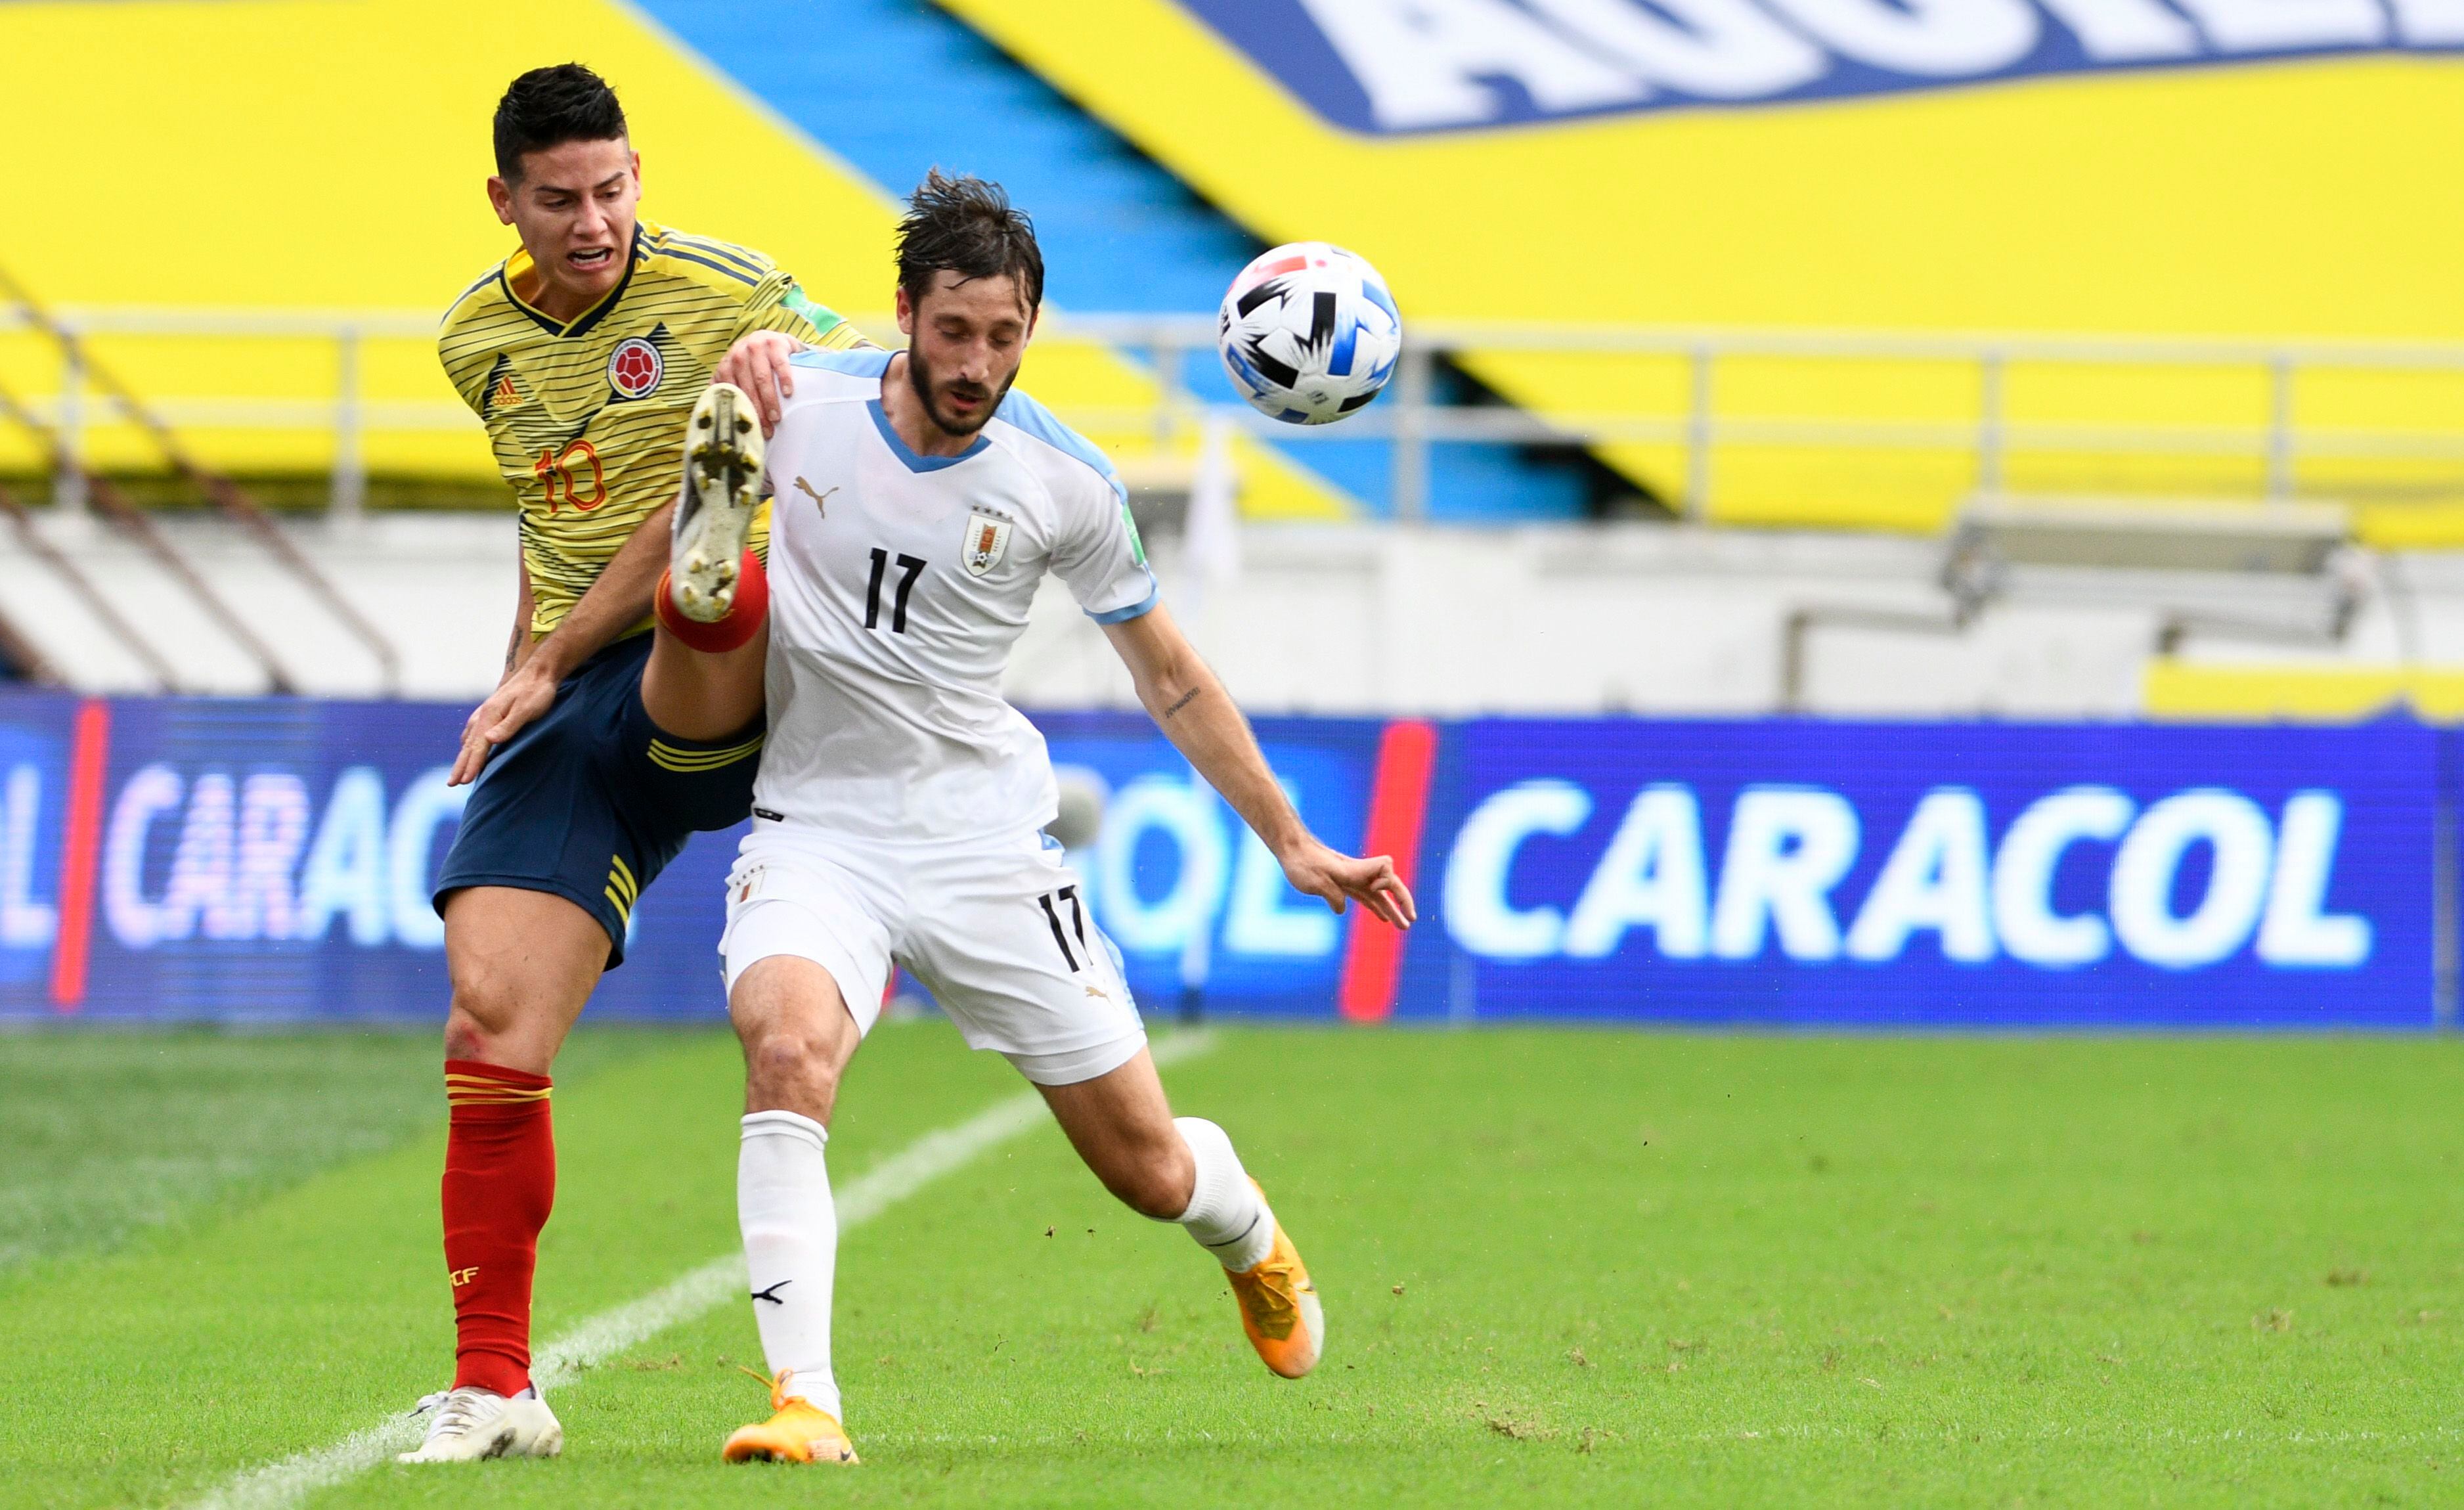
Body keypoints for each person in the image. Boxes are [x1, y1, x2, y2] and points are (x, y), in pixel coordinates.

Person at [658, 171, 1417, 1467]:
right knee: (785, 1053)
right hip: (816, 826)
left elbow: (1169, 673)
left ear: (1030, 329)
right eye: (952, 332)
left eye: (1003, 336)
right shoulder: (795, 405)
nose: (975, 363)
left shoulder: (1063, 479)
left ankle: (1236, 1218)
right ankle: (805, 1401)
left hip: (984, 846)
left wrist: (1290, 838)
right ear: (902, 312)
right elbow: (688, 512)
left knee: (1146, 1174)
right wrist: (562, 650)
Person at [401, 62, 866, 1463]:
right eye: (560, 199)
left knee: (700, 605)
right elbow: (545, 531)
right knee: (489, 1024)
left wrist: (799, 376)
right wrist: (519, 672)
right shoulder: (471, 342)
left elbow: (892, 388)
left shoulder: (732, 291)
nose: (593, 221)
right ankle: (497, 1392)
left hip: (740, 683)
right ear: (505, 200)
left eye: (612, 190)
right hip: (569, 686)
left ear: (636, 176)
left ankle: (707, 567)